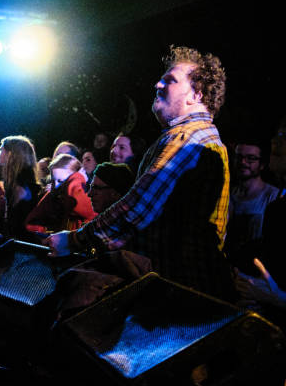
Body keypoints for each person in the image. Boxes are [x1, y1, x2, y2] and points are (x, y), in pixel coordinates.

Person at [45, 46, 235, 300]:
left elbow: (137, 209)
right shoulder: (198, 135)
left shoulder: (187, 137)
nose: (157, 84)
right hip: (182, 287)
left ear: (196, 95)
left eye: (170, 80)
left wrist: (74, 241)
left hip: (177, 291)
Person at [225, 137, 279, 274]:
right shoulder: (228, 193)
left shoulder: (273, 197)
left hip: (256, 271)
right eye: (239, 157)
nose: (243, 162)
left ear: (262, 164)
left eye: (251, 158)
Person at [25, 154, 96, 237]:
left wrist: (77, 180)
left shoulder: (88, 195)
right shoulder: (52, 195)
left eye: (61, 181)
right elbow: (31, 223)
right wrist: (49, 234)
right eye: (53, 181)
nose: (55, 186)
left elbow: (86, 212)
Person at [0, 135, 42, 238]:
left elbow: (17, 227)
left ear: (10, 154)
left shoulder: (21, 187)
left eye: (1, 151)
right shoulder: (16, 182)